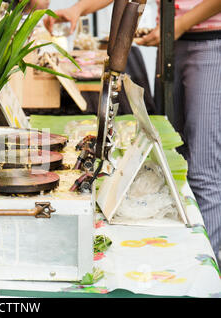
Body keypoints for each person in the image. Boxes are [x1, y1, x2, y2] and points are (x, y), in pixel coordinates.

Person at [45, 0, 221, 263]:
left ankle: (207, 270)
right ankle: (185, 261)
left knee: (202, 171)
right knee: (177, 159)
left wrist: (181, 23)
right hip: (174, 43)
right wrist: (78, 9)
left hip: (208, 41)